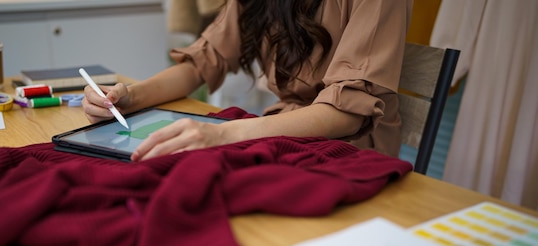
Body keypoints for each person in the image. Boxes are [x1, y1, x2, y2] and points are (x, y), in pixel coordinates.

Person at [82, 0, 413, 162]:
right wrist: (127, 98)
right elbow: (202, 61)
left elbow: (348, 112)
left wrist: (225, 134)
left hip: (353, 151)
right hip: (284, 134)